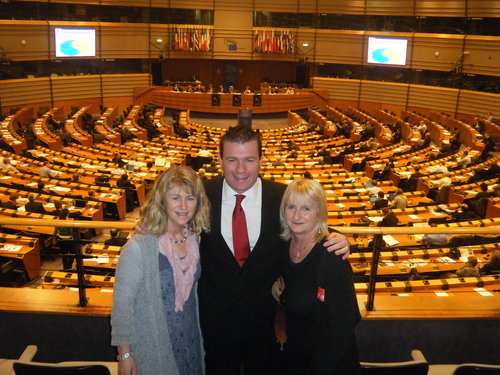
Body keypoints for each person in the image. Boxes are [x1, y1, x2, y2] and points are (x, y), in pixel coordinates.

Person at [198, 126, 350, 375]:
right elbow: (172, 218)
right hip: (215, 322)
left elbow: (308, 221)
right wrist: (146, 229)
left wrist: (341, 238)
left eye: (249, 160)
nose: (240, 170)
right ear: (219, 159)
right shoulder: (202, 194)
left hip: (267, 322)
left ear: (261, 159)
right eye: (232, 160)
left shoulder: (281, 196)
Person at [111, 166, 211, 375]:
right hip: (155, 346)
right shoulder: (138, 248)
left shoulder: (195, 238)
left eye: (190, 198)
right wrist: (125, 354)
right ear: (162, 200)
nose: (183, 206)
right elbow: (122, 307)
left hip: (191, 340)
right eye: (175, 198)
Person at [278, 179, 361, 374]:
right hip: (296, 354)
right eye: (291, 207)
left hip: (330, 363)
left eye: (306, 209)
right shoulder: (282, 246)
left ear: (319, 213)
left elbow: (344, 326)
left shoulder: (332, 255)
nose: (297, 215)